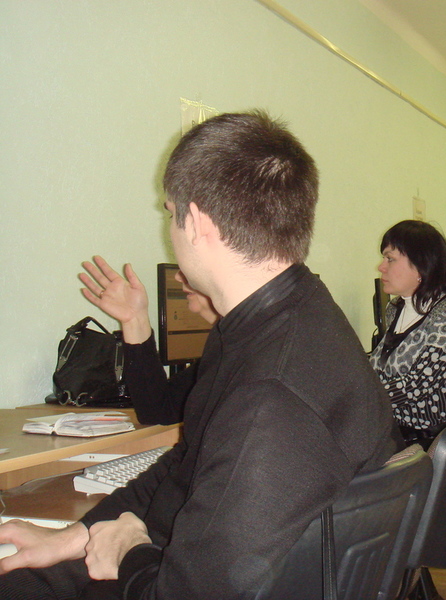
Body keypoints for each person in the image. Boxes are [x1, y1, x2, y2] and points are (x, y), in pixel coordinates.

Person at [0, 111, 399, 599]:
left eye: (170, 213)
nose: (170, 229)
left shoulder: (273, 396)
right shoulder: (288, 317)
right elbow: (184, 463)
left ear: (197, 223)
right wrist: (77, 536)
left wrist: (128, 551)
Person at [369, 220, 446, 448]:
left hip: (439, 442)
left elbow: (417, 385)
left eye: (390, 259)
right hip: (400, 435)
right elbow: (379, 370)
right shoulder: (396, 309)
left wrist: (355, 399)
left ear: (421, 265)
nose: (381, 267)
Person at [78, 256, 218, 425]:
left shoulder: (244, 350)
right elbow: (158, 411)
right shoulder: (223, 347)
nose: (178, 277)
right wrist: (135, 320)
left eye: (194, 264)